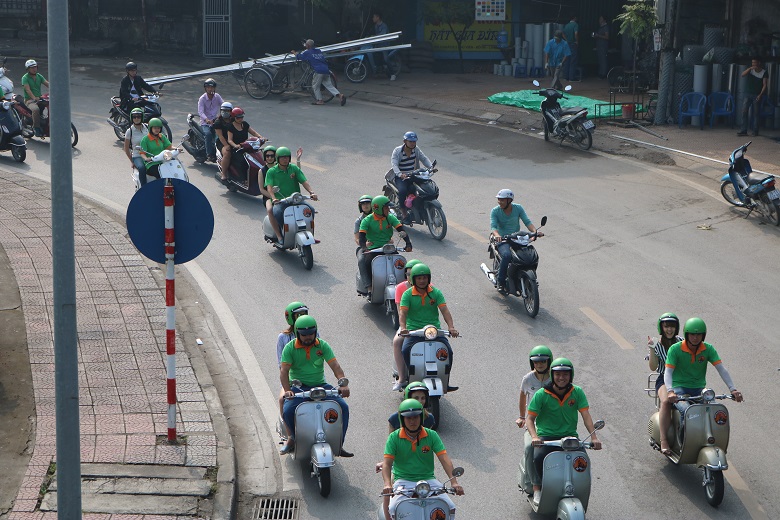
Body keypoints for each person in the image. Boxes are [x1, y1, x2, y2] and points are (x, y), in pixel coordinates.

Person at [527, 358, 602, 505]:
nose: (561, 378)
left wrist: (594, 438)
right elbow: (530, 419)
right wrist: (535, 437)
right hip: (546, 437)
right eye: (558, 374)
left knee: (582, 462)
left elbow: (586, 415)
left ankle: (579, 488)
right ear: (552, 375)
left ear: (571, 375)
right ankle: (537, 488)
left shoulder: (577, 392)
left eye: (565, 374)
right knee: (536, 455)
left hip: (569, 437)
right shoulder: (542, 394)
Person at [662, 317, 743, 454]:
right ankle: (684, 442)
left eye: (698, 334)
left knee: (714, 409)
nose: (695, 337)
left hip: (699, 389)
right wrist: (670, 391)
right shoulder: (675, 349)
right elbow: (668, 372)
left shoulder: (708, 349)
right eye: (692, 334)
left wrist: (733, 389)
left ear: (703, 335)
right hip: (679, 388)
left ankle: (712, 439)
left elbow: (721, 369)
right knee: (686, 411)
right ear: (686, 334)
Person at [279, 315, 352, 457]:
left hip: (321, 386)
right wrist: (288, 390)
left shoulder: (322, 345)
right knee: (287, 411)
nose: (308, 337)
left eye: (311, 334)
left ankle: (338, 444)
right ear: (297, 333)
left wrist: (343, 383)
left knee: (343, 407)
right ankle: (293, 439)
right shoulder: (289, 348)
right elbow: (284, 372)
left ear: (315, 331)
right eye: (304, 335)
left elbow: (335, 366)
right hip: (299, 388)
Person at [382, 399, 464, 520]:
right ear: (402, 419)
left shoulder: (432, 435)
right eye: (408, 418)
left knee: (450, 507)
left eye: (415, 417)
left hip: (428, 480)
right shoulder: (394, 438)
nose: (412, 421)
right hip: (403, 481)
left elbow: (445, 459)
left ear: (421, 417)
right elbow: (387, 464)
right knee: (394, 508)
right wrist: (387, 484)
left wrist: (454, 482)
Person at [398, 263, 459, 389]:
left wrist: (451, 327)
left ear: (429, 278)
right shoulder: (407, 294)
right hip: (414, 331)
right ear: (413, 279)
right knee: (405, 350)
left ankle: (445, 381)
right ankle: (410, 377)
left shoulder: (436, 293)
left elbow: (445, 311)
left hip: (433, 331)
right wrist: (403, 328)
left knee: (448, 352)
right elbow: (403, 313)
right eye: (419, 278)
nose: (422, 281)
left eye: (424, 278)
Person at [490, 189, 543, 295]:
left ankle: (529, 277)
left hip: (517, 238)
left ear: (509, 200)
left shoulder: (518, 208)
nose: (499, 202)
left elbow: (527, 222)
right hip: (503, 240)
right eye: (498, 200)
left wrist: (535, 232)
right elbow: (493, 227)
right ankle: (501, 282)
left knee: (529, 256)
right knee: (507, 256)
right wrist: (497, 236)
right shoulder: (495, 211)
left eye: (502, 200)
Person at [515, 345, 553, 494]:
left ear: (549, 362)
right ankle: (535, 485)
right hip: (534, 423)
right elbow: (523, 397)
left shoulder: (556, 378)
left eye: (543, 361)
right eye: (536, 362)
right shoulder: (528, 379)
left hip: (553, 422)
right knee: (530, 448)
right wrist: (521, 417)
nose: (540, 364)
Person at [357, 195, 412, 293]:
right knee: (365, 263)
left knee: (401, 264)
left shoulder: (390, 218)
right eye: (386, 207)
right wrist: (365, 248)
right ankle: (369, 287)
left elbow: (401, 230)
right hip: (373, 249)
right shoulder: (367, 220)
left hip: (388, 248)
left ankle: (406, 287)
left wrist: (408, 243)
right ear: (378, 208)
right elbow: (361, 237)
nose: (388, 209)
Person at [264, 146, 318, 245]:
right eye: (282, 157)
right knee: (277, 213)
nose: (285, 159)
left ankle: (308, 233)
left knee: (310, 210)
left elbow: (304, 181)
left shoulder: (294, 168)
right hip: (281, 201)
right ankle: (282, 232)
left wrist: (311, 192)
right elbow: (269, 187)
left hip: (296, 199)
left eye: (287, 157)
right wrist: (274, 198)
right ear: (278, 159)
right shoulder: (271, 171)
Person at [646, 313, 682, 455]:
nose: (669, 330)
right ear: (661, 328)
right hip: (663, 379)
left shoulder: (682, 342)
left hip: (682, 380)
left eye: (672, 327)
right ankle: (664, 440)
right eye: (666, 326)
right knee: (666, 401)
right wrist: (652, 349)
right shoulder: (657, 344)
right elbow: (653, 367)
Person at [275, 302, 312, 417]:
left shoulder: (313, 333)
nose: (301, 318)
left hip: (312, 378)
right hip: (292, 381)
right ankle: (288, 433)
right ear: (290, 318)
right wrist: (288, 387)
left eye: (303, 314)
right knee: (282, 400)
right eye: (298, 315)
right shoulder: (283, 338)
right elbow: (282, 367)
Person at [390, 131, 434, 224]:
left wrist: (431, 167)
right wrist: (400, 174)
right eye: (410, 141)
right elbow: (394, 165)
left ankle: (419, 209)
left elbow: (424, 158)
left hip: (414, 175)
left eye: (414, 141)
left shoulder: (416, 149)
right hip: (402, 177)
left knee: (422, 190)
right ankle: (404, 213)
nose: (413, 143)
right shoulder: (397, 151)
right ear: (405, 141)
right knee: (403, 191)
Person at [391, 258, 420, 391]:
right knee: (397, 342)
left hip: (426, 326)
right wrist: (404, 328)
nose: (410, 277)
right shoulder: (401, 288)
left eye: (413, 274)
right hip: (408, 325)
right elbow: (400, 312)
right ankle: (402, 378)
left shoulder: (430, 288)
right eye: (408, 274)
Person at [293, 39, 347, 106]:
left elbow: (300, 57)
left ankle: (320, 100)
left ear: (308, 45)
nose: (305, 45)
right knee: (329, 85)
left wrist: (295, 53)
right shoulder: (318, 51)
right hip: (326, 70)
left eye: (306, 44)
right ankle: (340, 96)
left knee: (315, 86)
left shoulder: (308, 52)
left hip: (318, 71)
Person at [223, 107, 265, 182]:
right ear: (234, 117)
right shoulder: (230, 126)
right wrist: (235, 145)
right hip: (237, 149)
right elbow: (230, 140)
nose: (240, 119)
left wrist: (261, 138)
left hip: (247, 147)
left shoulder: (244, 124)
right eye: (238, 117)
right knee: (243, 162)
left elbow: (254, 133)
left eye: (241, 117)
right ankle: (243, 179)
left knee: (258, 159)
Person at [737, 57, 768, 137]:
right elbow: (742, 75)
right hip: (747, 93)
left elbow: (764, 85)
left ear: (759, 63)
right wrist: (750, 68)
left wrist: (760, 95)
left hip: (756, 94)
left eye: (755, 63)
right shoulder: (750, 70)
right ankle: (744, 130)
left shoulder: (764, 72)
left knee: (756, 113)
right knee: (744, 111)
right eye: (752, 63)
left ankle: (755, 131)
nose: (753, 64)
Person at [20, 59, 49, 137]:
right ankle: (36, 128)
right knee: (36, 109)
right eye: (32, 67)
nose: (34, 69)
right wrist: (34, 98)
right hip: (29, 100)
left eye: (35, 67)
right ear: (28, 69)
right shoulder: (25, 78)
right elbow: (28, 90)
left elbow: (47, 84)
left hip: (39, 98)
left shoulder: (39, 76)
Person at [198, 78, 223, 163]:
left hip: (215, 121)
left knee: (219, 136)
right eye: (208, 87)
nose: (210, 89)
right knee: (208, 134)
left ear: (214, 88)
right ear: (205, 88)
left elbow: (223, 106)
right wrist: (207, 119)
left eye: (212, 87)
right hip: (205, 123)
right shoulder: (202, 98)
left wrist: (225, 113)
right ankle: (209, 154)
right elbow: (200, 112)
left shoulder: (217, 97)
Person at [123, 108, 149, 185]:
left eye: (139, 116)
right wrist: (132, 161)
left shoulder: (147, 127)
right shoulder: (129, 131)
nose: (136, 118)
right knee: (142, 168)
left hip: (149, 154)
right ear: (132, 118)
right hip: (137, 156)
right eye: (134, 117)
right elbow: (126, 148)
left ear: (142, 117)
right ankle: (144, 189)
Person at [213, 101, 233, 182]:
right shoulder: (218, 122)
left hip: (233, 141)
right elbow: (220, 136)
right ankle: (224, 174)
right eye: (223, 110)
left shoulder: (234, 119)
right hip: (222, 142)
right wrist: (226, 145)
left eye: (227, 111)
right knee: (227, 153)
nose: (225, 112)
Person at [563, 15, 579, 81]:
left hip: (567, 44)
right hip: (573, 44)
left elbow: (563, 34)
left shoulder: (567, 25)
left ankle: (565, 77)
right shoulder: (575, 25)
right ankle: (572, 77)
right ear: (575, 18)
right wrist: (577, 41)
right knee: (573, 61)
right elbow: (576, 33)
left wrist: (566, 40)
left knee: (567, 60)